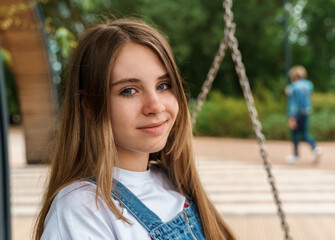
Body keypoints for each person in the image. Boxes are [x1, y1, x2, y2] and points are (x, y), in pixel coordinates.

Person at [33, 18, 236, 240]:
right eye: (129, 90)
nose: (155, 106)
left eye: (163, 86)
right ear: (89, 105)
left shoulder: (174, 182)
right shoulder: (82, 208)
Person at [285, 65, 321, 163]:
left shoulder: (292, 87)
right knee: (304, 133)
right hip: (306, 111)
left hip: (296, 113)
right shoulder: (309, 85)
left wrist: (292, 117)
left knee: (295, 134)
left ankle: (296, 156)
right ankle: (315, 148)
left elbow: (293, 104)